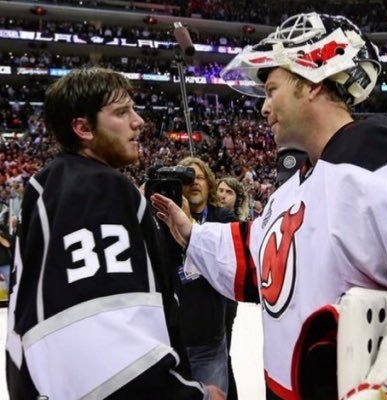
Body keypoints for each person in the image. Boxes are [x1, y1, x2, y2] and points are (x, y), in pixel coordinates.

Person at [151, 12, 387, 400]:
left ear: (314, 79)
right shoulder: (294, 188)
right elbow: (262, 264)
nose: (264, 109)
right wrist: (190, 233)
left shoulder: (378, 155)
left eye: (272, 90)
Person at [5, 67, 225, 400]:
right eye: (122, 112)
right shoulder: (98, 187)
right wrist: (191, 396)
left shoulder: (51, 184)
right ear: (82, 127)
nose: (139, 121)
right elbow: (105, 343)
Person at [176, 157, 236, 395]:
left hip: (208, 342)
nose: (193, 183)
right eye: (186, 178)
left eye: (199, 177)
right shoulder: (162, 217)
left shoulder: (223, 218)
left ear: (209, 184)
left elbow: (227, 257)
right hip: (174, 342)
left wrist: (188, 222)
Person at [216, 177, 249, 400]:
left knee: (223, 354)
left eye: (229, 192)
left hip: (226, 299)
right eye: (219, 190)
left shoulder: (233, 222)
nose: (222, 195)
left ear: (237, 199)